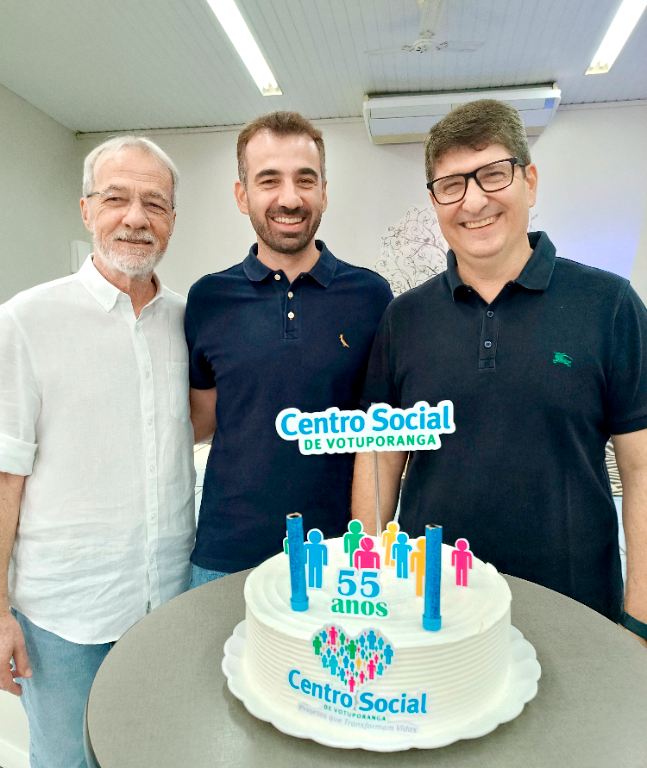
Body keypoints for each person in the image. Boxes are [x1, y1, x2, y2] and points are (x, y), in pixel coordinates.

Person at [351, 99, 647, 647]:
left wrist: (641, 618)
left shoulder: (609, 305)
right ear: (435, 202)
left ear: (529, 182)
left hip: (575, 612)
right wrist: (367, 587)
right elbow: (379, 461)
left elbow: (642, 470)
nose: (474, 201)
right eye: (451, 185)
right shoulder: (403, 319)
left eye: (492, 174)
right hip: (431, 611)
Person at [0, 136, 196, 766]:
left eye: (154, 203)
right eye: (116, 198)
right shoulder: (26, 322)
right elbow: (6, 479)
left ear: (171, 220)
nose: (135, 217)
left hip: (166, 604)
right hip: (62, 617)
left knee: (153, 752)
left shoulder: (188, 322)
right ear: (87, 211)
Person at [186, 111, 392, 583]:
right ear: (243, 195)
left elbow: (382, 438)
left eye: (305, 179)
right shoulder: (207, 299)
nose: (290, 198)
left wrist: (370, 547)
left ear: (324, 191)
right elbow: (204, 418)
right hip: (226, 553)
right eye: (268, 180)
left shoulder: (372, 296)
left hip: (338, 556)